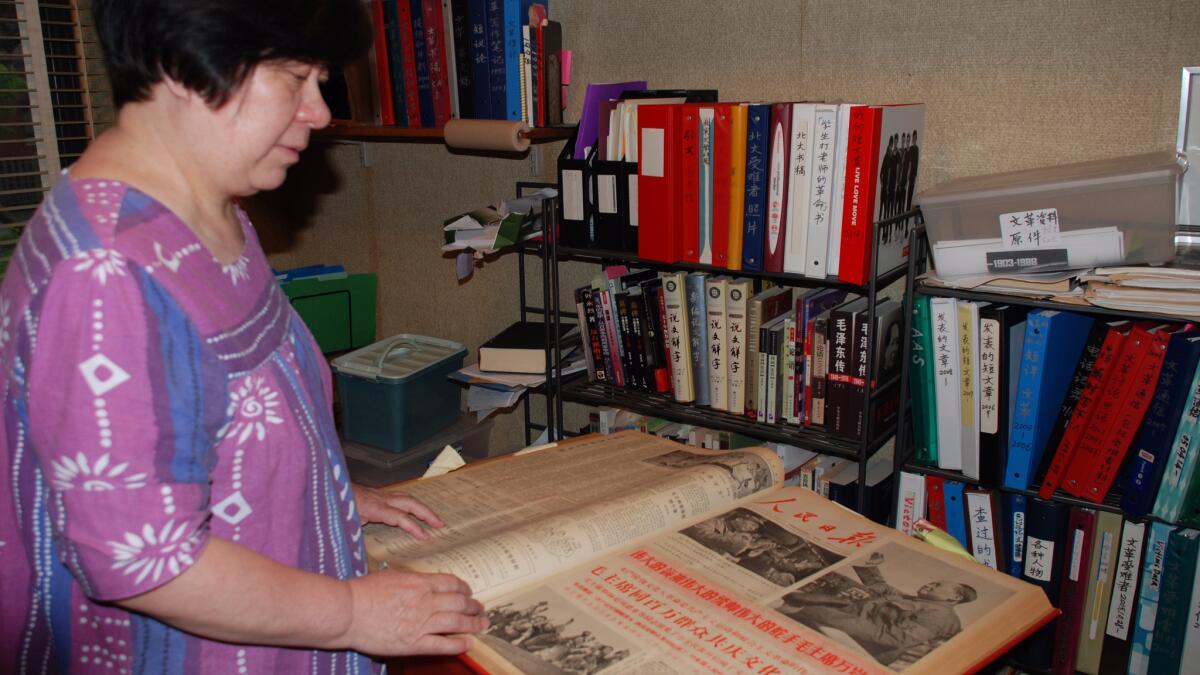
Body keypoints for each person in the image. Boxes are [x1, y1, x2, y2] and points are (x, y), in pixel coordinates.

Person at [0, 1, 487, 672]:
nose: (319, 112)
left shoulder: (206, 207)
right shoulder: (104, 274)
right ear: (183, 61)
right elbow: (148, 563)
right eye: (294, 76)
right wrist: (354, 612)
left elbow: (215, 426)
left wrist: (322, 492)